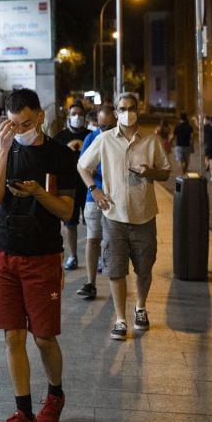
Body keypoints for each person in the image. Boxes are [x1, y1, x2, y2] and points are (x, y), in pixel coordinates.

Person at [0, 88, 77, 422]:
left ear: (40, 116)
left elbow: (67, 211)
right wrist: (2, 150)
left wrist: (38, 192)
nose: (20, 128)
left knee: (44, 338)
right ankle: (23, 412)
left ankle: (55, 393)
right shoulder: (7, 149)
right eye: (12, 123)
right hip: (4, 254)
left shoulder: (58, 155)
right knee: (13, 336)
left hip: (42, 257)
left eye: (25, 122)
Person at [77, 92, 171, 341]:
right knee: (116, 270)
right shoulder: (105, 139)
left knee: (144, 268)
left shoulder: (151, 140)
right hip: (114, 216)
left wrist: (151, 172)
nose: (127, 112)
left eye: (132, 108)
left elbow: (166, 173)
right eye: (122, 108)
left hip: (144, 215)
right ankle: (120, 319)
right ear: (116, 112)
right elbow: (82, 166)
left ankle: (140, 308)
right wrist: (94, 190)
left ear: (138, 110)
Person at [75, 105, 116, 300]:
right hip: (94, 197)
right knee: (93, 238)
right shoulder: (92, 139)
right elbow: (84, 167)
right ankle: (91, 283)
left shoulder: (120, 140)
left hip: (117, 198)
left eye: (108, 127)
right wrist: (93, 187)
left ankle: (115, 282)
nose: (104, 131)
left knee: (114, 242)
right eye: (101, 127)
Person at [53, 102, 90, 271]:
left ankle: (96, 257)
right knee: (70, 223)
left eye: (80, 114)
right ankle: (73, 256)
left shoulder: (93, 136)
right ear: (69, 117)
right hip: (69, 187)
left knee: (93, 223)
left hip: (89, 186)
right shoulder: (60, 138)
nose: (77, 117)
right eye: (74, 113)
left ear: (85, 117)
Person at [173, 113, 194, 178]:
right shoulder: (189, 127)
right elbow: (192, 137)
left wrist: (170, 142)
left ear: (180, 119)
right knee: (186, 161)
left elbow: (173, 136)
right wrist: (192, 146)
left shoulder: (177, 126)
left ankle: (182, 174)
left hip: (179, 146)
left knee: (180, 161)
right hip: (187, 146)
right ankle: (184, 173)